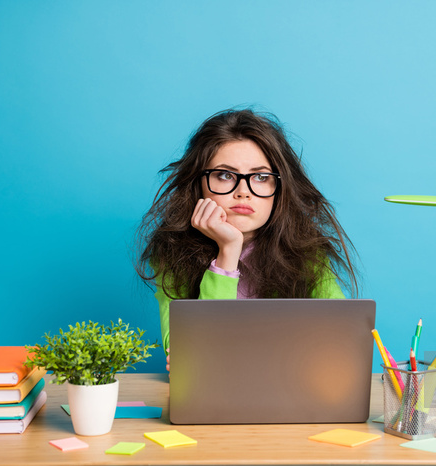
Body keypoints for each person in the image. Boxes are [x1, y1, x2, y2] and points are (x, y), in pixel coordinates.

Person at [136, 108, 359, 371]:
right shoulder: (171, 254)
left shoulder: (309, 254)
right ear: (199, 184)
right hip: (213, 402)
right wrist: (227, 252)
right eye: (225, 175)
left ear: (279, 189)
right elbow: (192, 364)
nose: (243, 192)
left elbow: (344, 343)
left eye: (261, 177)